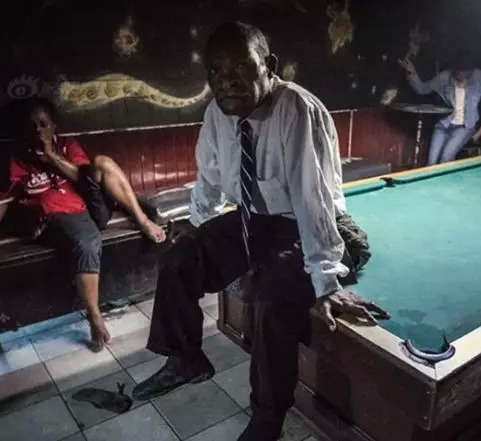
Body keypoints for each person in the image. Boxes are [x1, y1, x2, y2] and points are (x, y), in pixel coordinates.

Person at [132, 22, 389, 441]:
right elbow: (209, 178)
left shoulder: (296, 110)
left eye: (239, 67)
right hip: (254, 218)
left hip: (303, 222)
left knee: (272, 301)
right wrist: (197, 225)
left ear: (269, 65)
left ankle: (267, 420)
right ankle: (185, 358)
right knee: (179, 259)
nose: (227, 81)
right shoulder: (216, 114)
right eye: (216, 72)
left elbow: (311, 199)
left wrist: (325, 280)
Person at [0, 97, 166, 352]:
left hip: (88, 207)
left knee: (103, 163)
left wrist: (51, 156)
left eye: (44, 124)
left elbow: (84, 178)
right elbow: (3, 200)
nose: (38, 130)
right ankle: (94, 315)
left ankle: (142, 220)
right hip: (54, 218)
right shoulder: (17, 158)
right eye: (32, 126)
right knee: (87, 242)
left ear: (54, 126)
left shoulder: (66, 145)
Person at [398, 56, 481, 165]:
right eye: (460, 73)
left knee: (445, 158)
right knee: (431, 161)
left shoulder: (479, 77)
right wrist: (411, 72)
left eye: (467, 74)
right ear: (454, 71)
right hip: (444, 125)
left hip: (465, 127)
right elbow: (422, 89)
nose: (463, 76)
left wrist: (478, 133)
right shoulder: (444, 77)